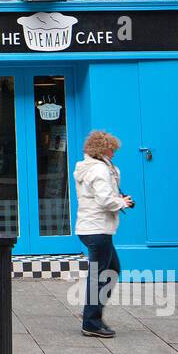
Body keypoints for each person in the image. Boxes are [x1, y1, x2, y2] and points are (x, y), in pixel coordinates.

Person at [73, 130, 133, 338]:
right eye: (112, 149)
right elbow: (105, 200)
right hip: (97, 228)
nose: (114, 153)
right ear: (102, 149)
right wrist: (122, 202)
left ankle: (91, 313)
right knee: (100, 275)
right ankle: (91, 322)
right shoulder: (99, 170)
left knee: (112, 269)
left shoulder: (93, 167)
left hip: (93, 228)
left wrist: (119, 197)